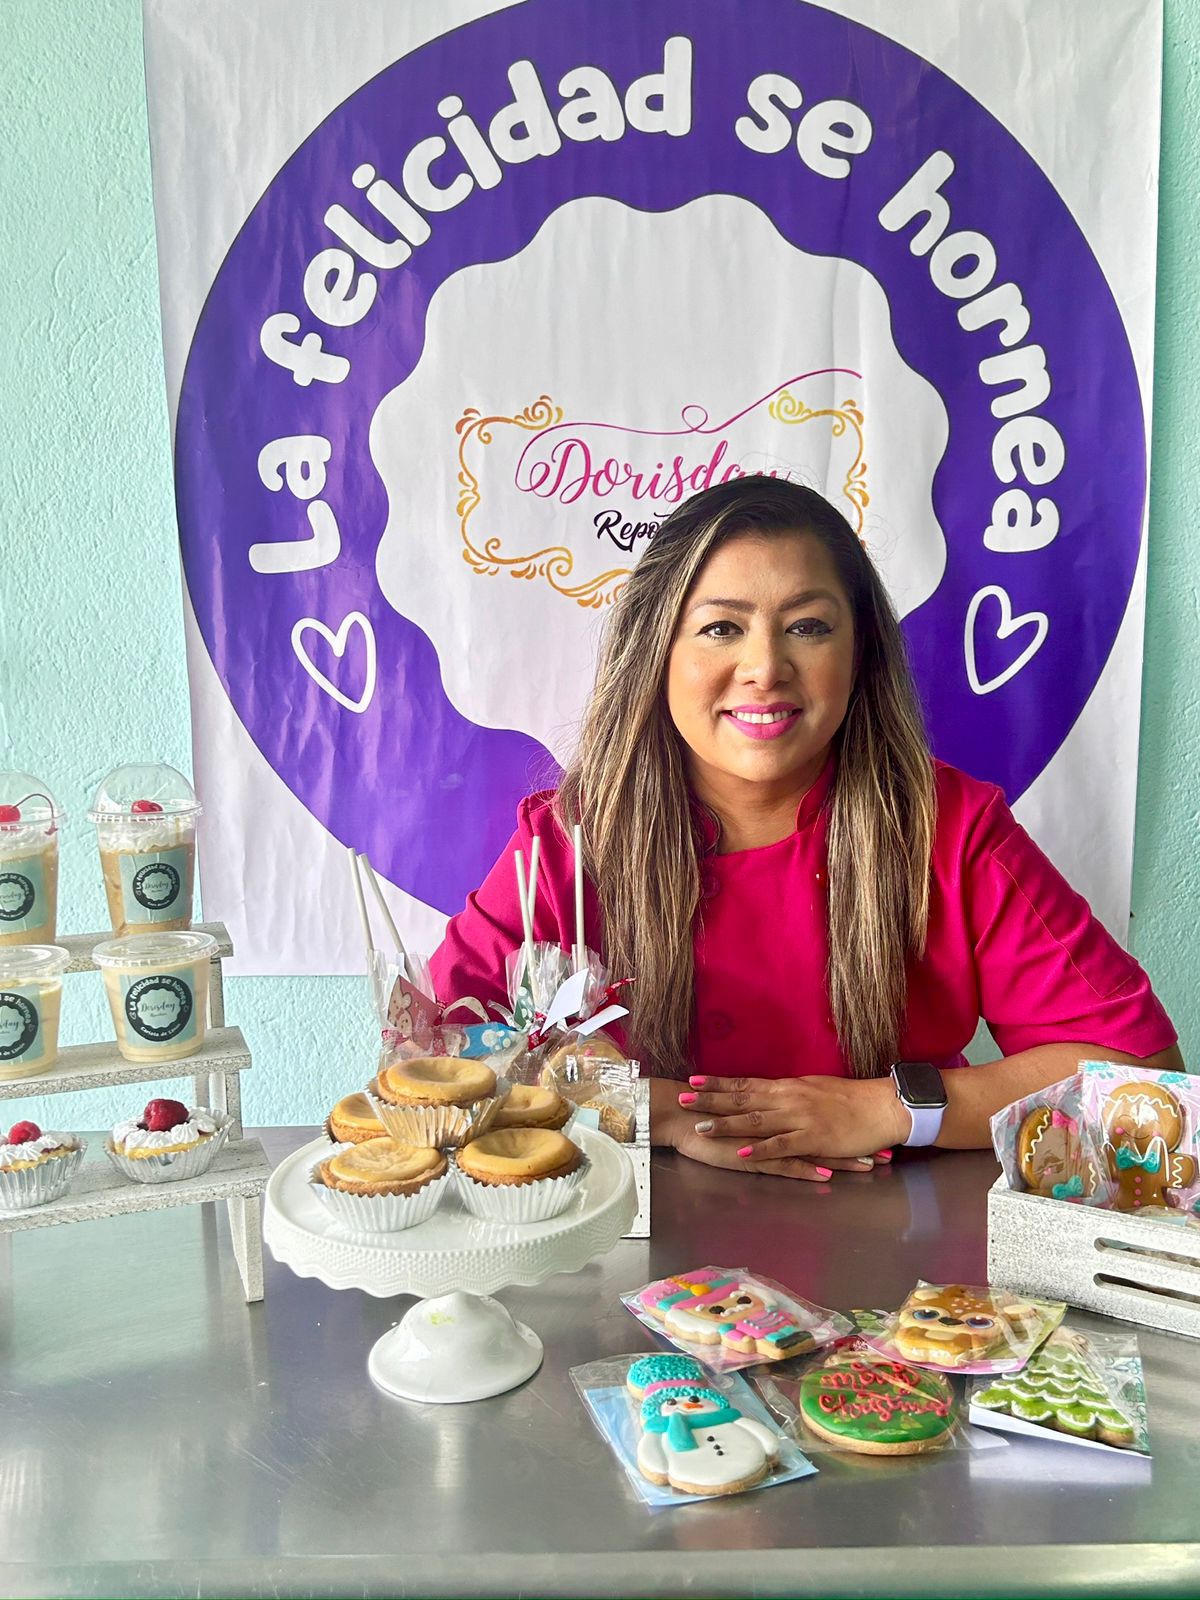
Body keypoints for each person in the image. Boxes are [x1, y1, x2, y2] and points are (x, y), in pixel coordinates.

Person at [430, 478, 1181, 1181]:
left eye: (807, 626)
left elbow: (1142, 1076)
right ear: (656, 652)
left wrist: (888, 1108)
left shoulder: (950, 830)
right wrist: (657, 1113)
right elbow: (432, 1059)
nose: (764, 667)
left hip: (898, 1244)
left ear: (860, 654)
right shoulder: (566, 846)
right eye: (721, 627)